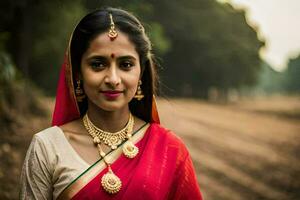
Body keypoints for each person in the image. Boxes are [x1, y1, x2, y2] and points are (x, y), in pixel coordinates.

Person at [20, 7, 203, 200]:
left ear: (141, 73)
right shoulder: (48, 147)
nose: (113, 79)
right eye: (98, 64)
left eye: (126, 65)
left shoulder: (169, 150)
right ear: (78, 73)